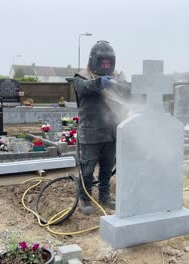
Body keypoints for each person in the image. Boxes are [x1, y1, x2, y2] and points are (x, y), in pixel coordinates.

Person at [73, 40, 119, 215]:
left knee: (107, 168)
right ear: (95, 60)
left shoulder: (116, 77)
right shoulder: (81, 77)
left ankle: (105, 196)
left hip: (111, 132)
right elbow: (85, 88)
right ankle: (84, 199)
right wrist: (102, 82)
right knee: (87, 168)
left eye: (109, 62)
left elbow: (128, 93)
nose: (106, 65)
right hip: (90, 133)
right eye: (103, 62)